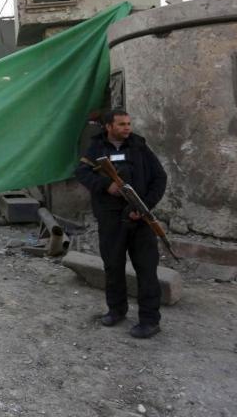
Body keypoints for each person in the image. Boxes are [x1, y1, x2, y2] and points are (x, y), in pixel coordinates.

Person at [75, 109, 168, 339]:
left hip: (140, 219)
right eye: (122, 124)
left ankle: (149, 320)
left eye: (128, 123)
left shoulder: (139, 147)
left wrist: (144, 206)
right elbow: (82, 173)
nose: (127, 128)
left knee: (146, 270)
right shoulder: (96, 148)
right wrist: (105, 186)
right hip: (110, 220)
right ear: (109, 126)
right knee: (113, 267)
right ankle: (116, 310)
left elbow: (160, 178)